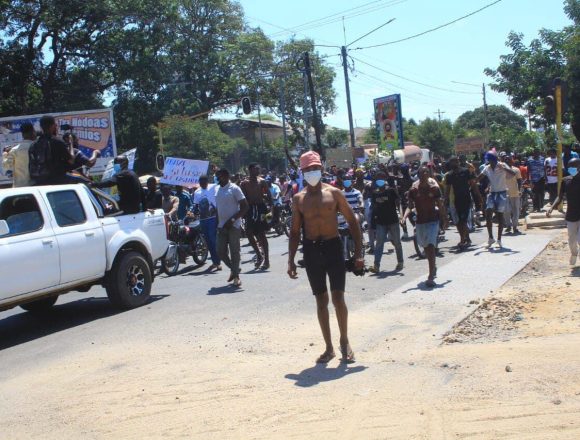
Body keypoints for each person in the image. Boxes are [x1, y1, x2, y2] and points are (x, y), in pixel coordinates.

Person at [288, 151, 362, 364]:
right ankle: (328, 347)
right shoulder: (299, 199)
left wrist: (358, 253)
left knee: (338, 298)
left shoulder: (335, 194)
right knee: (321, 300)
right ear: (302, 172)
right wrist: (290, 260)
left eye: (315, 168)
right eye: (308, 169)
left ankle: (344, 341)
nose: (312, 172)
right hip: (311, 250)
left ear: (321, 169)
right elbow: (294, 232)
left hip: (333, 247)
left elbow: (352, 221)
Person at [401, 166, 447, 288]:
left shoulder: (434, 188)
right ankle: (433, 266)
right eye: (422, 172)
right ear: (419, 175)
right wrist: (404, 217)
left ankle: (431, 276)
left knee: (431, 246)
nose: (425, 174)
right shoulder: (413, 190)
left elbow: (440, 204)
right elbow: (410, 206)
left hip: (432, 220)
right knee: (426, 247)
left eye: (427, 172)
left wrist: (444, 219)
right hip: (420, 221)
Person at [215, 168, 248, 287]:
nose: (217, 178)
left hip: (234, 225)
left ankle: (236, 277)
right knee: (220, 251)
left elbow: (245, 207)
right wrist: (217, 223)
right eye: (216, 176)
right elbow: (217, 208)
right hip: (221, 226)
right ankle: (234, 270)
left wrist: (233, 220)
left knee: (235, 252)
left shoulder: (234, 188)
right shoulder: (217, 189)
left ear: (226, 176)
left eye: (219, 176)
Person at [477, 151, 517, 248]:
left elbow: (513, 173)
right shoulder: (487, 168)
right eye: (489, 160)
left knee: (499, 216)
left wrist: (504, 168)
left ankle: (499, 239)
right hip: (492, 193)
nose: (490, 162)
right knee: (488, 212)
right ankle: (491, 238)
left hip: (502, 193)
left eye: (492, 160)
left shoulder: (502, 165)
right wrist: (472, 178)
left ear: (495, 159)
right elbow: (479, 178)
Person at [369, 170, 404, 273]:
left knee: (397, 242)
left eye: (381, 178)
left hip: (393, 220)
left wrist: (401, 216)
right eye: (377, 178)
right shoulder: (374, 193)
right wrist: (372, 222)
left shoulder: (391, 191)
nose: (380, 180)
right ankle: (376, 266)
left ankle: (400, 262)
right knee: (379, 244)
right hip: (381, 222)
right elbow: (374, 208)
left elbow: (398, 204)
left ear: (385, 179)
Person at [547, 158, 580, 265]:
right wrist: (552, 208)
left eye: (573, 166)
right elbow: (559, 197)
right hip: (571, 214)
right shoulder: (565, 180)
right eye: (569, 166)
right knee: (571, 239)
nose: (571, 168)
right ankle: (574, 254)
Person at [444, 156, 481, 248]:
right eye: (452, 162)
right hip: (456, 200)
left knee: (463, 220)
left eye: (455, 162)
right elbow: (448, 190)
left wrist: (478, 196)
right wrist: (446, 200)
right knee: (459, 222)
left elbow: (473, 185)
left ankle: (463, 240)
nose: (454, 164)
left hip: (466, 199)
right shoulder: (449, 175)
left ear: (458, 162)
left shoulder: (466, 171)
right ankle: (466, 238)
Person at [240, 163, 272, 270]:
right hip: (250, 210)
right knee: (248, 233)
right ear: (250, 170)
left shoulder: (262, 181)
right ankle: (258, 254)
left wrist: (271, 208)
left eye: (258, 169)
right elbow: (243, 198)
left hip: (261, 209)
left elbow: (268, 194)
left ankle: (266, 259)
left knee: (262, 234)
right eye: (255, 169)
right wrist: (243, 211)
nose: (257, 171)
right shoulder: (244, 183)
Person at [28, 115, 74, 185]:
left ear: (41, 127)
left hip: (39, 181)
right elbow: (71, 160)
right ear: (52, 126)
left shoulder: (33, 145)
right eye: (55, 125)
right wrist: (71, 143)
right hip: (58, 179)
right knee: (86, 182)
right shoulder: (57, 141)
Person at [193, 175, 221, 271]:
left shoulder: (214, 187)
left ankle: (218, 262)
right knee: (208, 242)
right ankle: (215, 262)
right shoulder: (197, 192)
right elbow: (196, 206)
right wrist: (191, 212)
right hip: (203, 219)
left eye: (204, 181)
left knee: (213, 240)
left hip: (213, 218)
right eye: (201, 182)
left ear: (207, 181)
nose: (202, 183)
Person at [2, 122, 36, 187]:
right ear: (33, 132)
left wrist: (5, 154)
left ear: (22, 135)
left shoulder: (14, 150)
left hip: (19, 188)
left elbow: (7, 166)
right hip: (36, 187)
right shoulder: (38, 148)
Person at [503, 155, 523, 234]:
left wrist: (519, 190)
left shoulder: (516, 170)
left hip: (515, 193)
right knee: (506, 211)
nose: (507, 161)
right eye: (505, 160)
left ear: (512, 161)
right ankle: (508, 226)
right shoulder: (502, 170)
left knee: (516, 210)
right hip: (505, 193)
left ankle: (515, 226)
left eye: (509, 159)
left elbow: (519, 180)